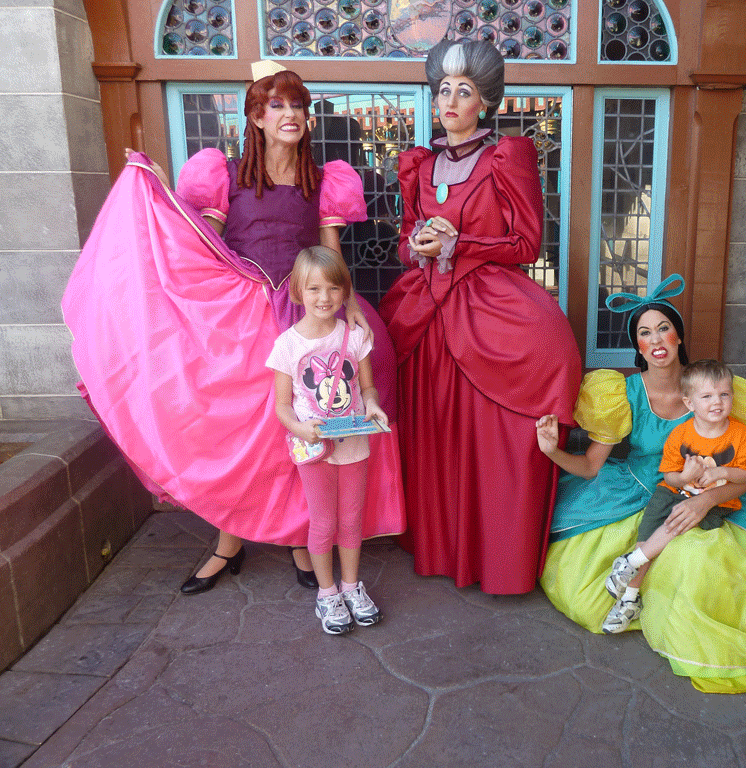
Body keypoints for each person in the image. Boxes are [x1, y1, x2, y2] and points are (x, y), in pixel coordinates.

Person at [62, 62, 405, 596]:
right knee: (240, 432)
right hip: (242, 315)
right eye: (276, 105)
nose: (289, 114)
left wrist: (351, 304)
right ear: (256, 117)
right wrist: (160, 194)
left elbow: (329, 256)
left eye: (297, 105)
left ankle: (299, 536)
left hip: (301, 313)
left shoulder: (323, 182)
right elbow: (201, 246)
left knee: (300, 423)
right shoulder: (223, 174)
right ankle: (229, 544)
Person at [534, 275, 746, 693]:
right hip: (635, 491)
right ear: (637, 345)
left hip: (704, 494)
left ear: (678, 337)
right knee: (585, 595)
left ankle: (650, 597)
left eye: (663, 328)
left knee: (705, 565)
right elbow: (589, 467)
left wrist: (706, 500)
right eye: (645, 333)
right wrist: (552, 451)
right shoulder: (621, 394)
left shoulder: (712, 392)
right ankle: (634, 596)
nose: (656, 340)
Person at [378, 39, 582, 594]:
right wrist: (418, 246)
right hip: (427, 315)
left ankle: (498, 558)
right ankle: (442, 548)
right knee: (436, 438)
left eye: (463, 91)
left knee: (492, 438)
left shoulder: (505, 159)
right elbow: (406, 242)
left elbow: (526, 243)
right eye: (443, 89)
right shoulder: (420, 165)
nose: (450, 100)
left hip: (490, 310)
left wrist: (459, 243)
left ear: (485, 102)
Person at [267, 246, 386, 634]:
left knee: (351, 518)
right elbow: (282, 405)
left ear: (345, 292)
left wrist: (373, 406)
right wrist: (300, 428)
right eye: (314, 288)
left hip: (354, 443)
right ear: (298, 292)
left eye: (334, 288)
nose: (324, 297)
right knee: (323, 521)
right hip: (314, 449)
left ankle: (351, 587)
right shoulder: (287, 345)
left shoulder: (354, 336)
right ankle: (327, 593)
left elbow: (367, 387)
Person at [599, 359, 746, 634]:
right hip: (672, 491)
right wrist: (685, 477)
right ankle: (630, 600)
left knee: (675, 523)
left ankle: (630, 563)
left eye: (724, 394)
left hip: (715, 503)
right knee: (647, 531)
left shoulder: (739, 434)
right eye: (707, 396)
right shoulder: (681, 434)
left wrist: (723, 471)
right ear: (689, 403)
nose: (717, 402)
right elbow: (669, 476)